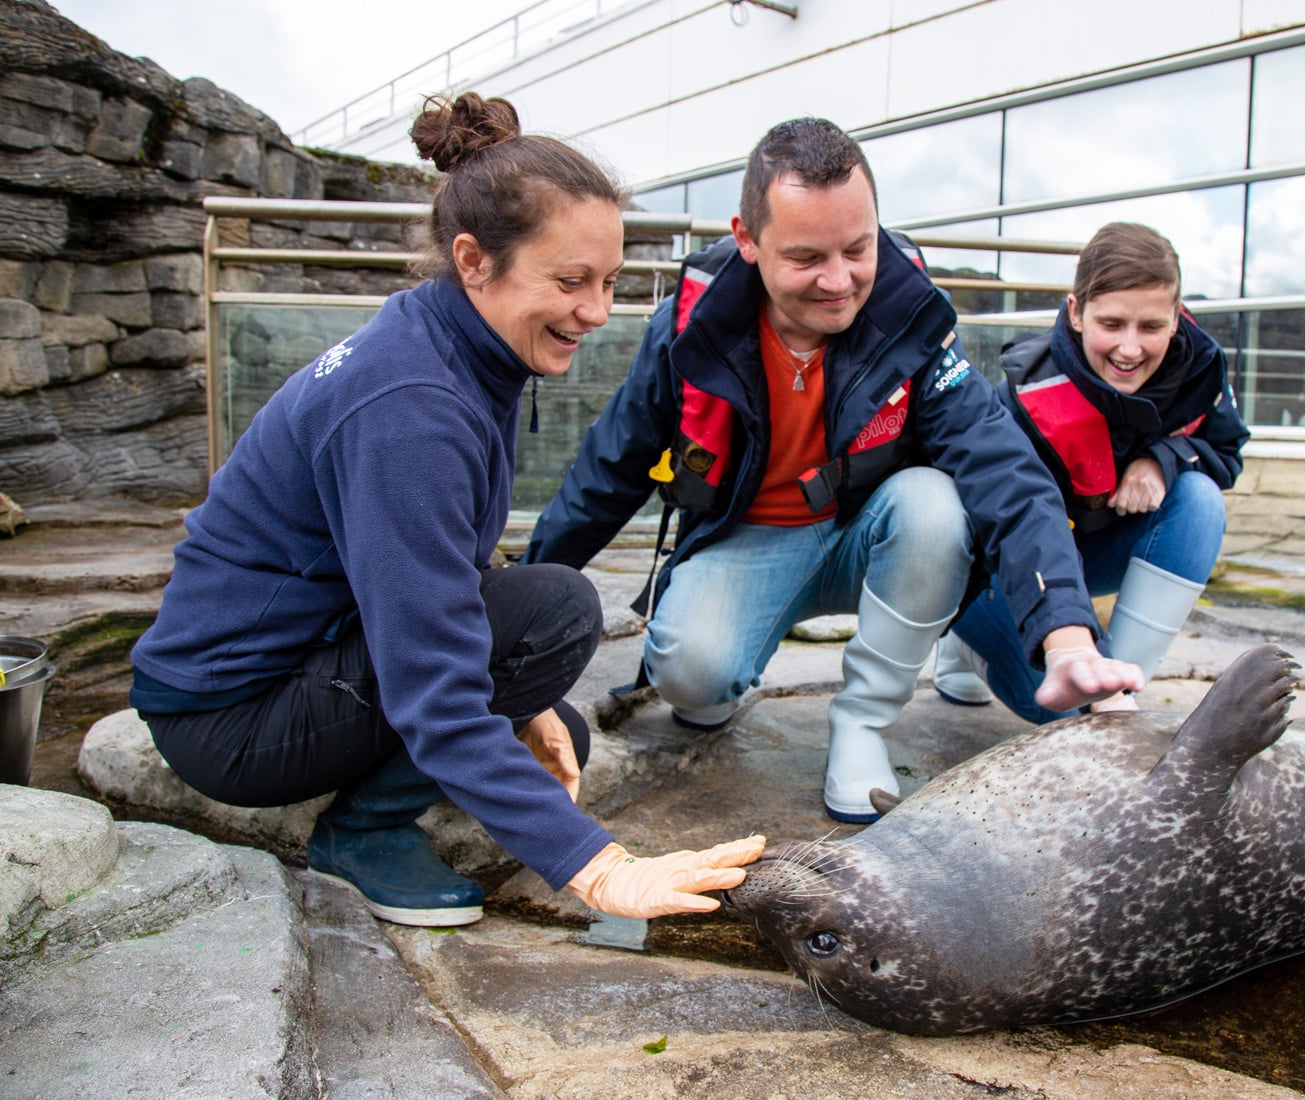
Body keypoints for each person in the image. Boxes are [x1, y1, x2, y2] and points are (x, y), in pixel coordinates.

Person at [128, 93, 763, 928]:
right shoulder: (410, 407)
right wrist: (599, 869)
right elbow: (433, 681)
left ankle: (430, 773)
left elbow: (447, 571)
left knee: (550, 710)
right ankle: (361, 834)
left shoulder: (452, 341)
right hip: (229, 717)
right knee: (556, 612)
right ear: (473, 259)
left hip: (295, 662)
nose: (598, 311)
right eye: (570, 281)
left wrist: (524, 697)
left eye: (610, 282)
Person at [525, 117, 1141, 823]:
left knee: (936, 503)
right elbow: (609, 470)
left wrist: (1067, 634)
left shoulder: (911, 319)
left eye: (859, 248)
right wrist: (522, 610)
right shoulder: (689, 328)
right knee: (691, 682)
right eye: (807, 257)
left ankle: (865, 725)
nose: (840, 281)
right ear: (749, 240)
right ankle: (724, 679)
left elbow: (1007, 471)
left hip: (869, 534)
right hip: (747, 540)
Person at [934, 221, 1250, 724]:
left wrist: (1164, 459)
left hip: (1094, 549)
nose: (1130, 349)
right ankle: (968, 650)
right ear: (1076, 313)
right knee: (1056, 710)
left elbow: (1226, 452)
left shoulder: (1201, 371)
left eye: (1150, 326)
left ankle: (1116, 698)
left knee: (1200, 501)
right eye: (1112, 324)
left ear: (1176, 318)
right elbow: (1008, 527)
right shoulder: (1027, 398)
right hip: (1005, 568)